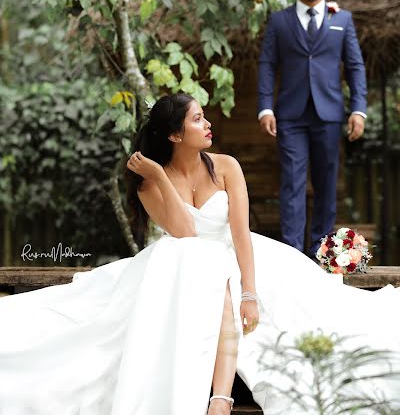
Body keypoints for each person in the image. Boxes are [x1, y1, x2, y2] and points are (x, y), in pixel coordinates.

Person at [0, 93, 399, 415]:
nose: (207, 125)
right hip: (184, 265)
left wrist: (249, 290)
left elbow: (241, 233)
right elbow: (185, 231)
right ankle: (217, 398)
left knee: (314, 313)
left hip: (242, 257)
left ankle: (221, 397)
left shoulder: (226, 167)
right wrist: (157, 176)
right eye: (197, 119)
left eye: (204, 117)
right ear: (175, 135)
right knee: (187, 260)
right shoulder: (148, 184)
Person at [258, 0, 367, 260]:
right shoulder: (279, 21)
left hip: (329, 115)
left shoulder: (342, 20)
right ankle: (293, 255)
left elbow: (355, 66)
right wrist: (265, 107)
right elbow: (267, 64)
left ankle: (322, 253)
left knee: (326, 184)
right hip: (290, 115)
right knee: (292, 181)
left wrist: (358, 109)